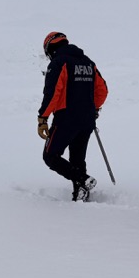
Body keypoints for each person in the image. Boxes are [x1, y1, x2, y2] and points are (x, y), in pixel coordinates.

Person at [38, 32, 107, 201]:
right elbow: (102, 90)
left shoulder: (59, 63)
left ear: (50, 48)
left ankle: (83, 180)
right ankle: (81, 194)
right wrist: (94, 109)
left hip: (66, 118)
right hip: (87, 119)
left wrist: (43, 118)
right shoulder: (88, 63)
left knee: (50, 156)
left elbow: (52, 93)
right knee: (77, 158)